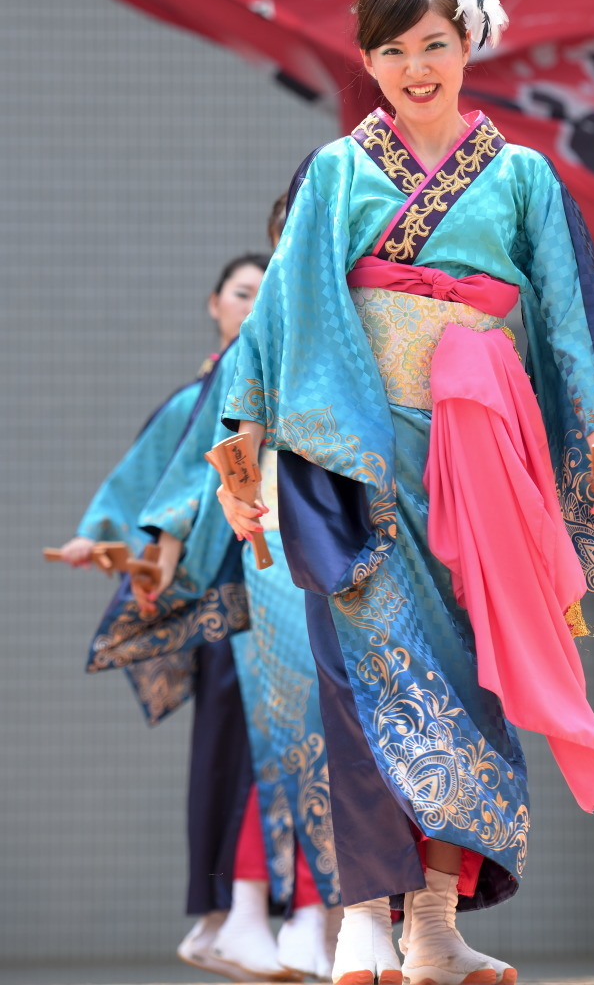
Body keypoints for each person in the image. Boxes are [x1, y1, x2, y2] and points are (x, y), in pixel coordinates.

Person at [215, 0, 594, 985]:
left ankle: (436, 923)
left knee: (464, 676)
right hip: (353, 449)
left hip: (480, 451)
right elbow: (281, 312)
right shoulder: (338, 171)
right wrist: (245, 425)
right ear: (368, 60)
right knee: (358, 674)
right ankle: (364, 915)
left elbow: (573, 312)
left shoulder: (522, 176)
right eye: (394, 51)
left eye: (435, 45)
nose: (417, 67)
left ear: (467, 46)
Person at [59, 254, 324, 981]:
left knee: (270, 749)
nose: (256, 305)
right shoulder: (211, 390)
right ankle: (233, 914)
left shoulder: (289, 379)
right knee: (238, 753)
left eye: (269, 293)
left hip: (282, 587)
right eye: (243, 293)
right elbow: (158, 480)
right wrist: (111, 535)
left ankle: (238, 919)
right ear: (214, 303)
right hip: (230, 594)